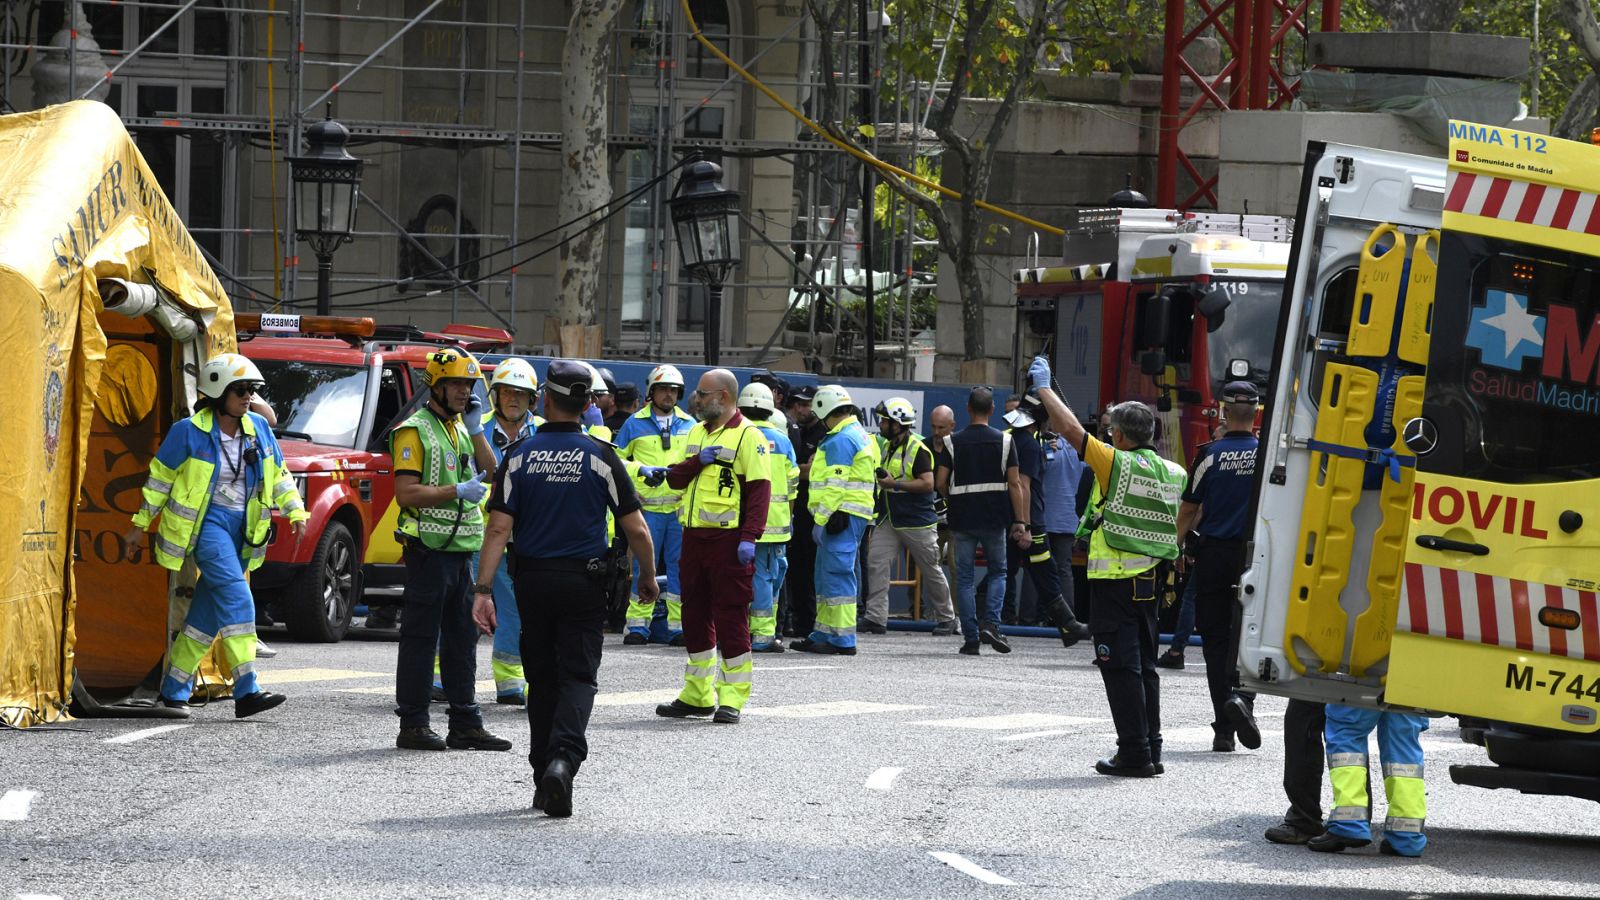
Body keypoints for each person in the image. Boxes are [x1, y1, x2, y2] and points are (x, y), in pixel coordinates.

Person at [471, 359, 658, 819]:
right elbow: (636, 529)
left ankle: (542, 776)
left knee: (542, 680)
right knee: (578, 677)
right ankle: (563, 762)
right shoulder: (601, 454)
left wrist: (482, 589)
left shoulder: (519, 454)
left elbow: (497, 529)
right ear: (586, 405)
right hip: (584, 583)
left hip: (532, 581)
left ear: (545, 401)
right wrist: (648, 578)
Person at [124, 353, 307, 718]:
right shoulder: (187, 432)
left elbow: (279, 473)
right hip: (207, 528)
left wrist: (295, 510)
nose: (247, 397)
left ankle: (174, 688)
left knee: (206, 615)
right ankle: (247, 688)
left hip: (245, 531)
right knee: (239, 601)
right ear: (216, 393)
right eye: (239, 390)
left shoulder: (258, 427)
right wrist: (139, 525)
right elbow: (158, 483)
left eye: (251, 391)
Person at [1032, 356, 1185, 778]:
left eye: (1110, 431)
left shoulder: (1116, 463)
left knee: (1119, 668)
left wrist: (1044, 388)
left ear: (1117, 434)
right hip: (1151, 582)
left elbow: (1069, 430)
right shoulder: (1174, 472)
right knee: (1146, 668)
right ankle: (1151, 749)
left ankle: (1134, 753)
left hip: (1115, 583)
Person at [388, 347, 511, 752]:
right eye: (457, 383)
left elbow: (493, 474)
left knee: (462, 640)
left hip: (462, 549)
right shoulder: (414, 430)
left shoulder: (461, 428)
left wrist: (477, 431)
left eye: (469, 384)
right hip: (427, 549)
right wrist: (455, 491)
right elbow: (406, 492)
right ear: (435, 386)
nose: (464, 391)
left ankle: (465, 722)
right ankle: (414, 724)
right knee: (421, 639)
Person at [654, 369, 771, 724]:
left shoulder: (748, 436)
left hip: (728, 540)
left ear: (722, 395)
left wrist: (750, 537)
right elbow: (675, 477)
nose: (697, 399)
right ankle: (698, 695)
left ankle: (732, 697)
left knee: (731, 616)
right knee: (694, 614)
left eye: (703, 394)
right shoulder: (696, 431)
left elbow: (759, 491)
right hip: (693, 537)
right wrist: (697, 461)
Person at [1176, 380, 1263, 753]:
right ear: (1258, 412)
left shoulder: (1208, 455)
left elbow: (1190, 509)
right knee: (1252, 636)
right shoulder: (1267, 453)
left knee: (1215, 641)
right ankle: (1243, 700)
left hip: (1213, 556)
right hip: (1256, 558)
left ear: (1224, 411)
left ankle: (1223, 730)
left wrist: (1175, 548)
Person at [935, 387, 1027, 657]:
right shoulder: (1006, 442)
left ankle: (971, 638)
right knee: (998, 572)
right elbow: (1015, 483)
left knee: (963, 578)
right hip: (994, 517)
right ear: (992, 410)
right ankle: (993, 625)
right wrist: (1020, 520)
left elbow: (940, 482)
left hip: (962, 518)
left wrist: (954, 499)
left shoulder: (952, 442)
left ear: (967, 409)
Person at [791, 385, 877, 656]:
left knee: (837, 575)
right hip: (846, 514)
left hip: (840, 515)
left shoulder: (841, 438)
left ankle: (842, 639)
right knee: (826, 575)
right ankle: (824, 632)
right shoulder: (856, 434)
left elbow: (836, 484)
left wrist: (821, 517)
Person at [614, 364, 696, 645]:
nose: (669, 395)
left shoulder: (691, 425)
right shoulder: (633, 423)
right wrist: (639, 472)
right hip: (645, 509)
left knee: (680, 569)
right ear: (651, 392)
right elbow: (617, 461)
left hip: (678, 510)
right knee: (641, 568)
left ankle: (677, 627)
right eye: (663, 389)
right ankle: (637, 626)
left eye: (674, 390)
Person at [1001, 395, 1091, 646]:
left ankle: (985, 620)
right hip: (1031, 521)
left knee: (1007, 570)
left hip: (1016, 519)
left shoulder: (1011, 440)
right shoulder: (1028, 444)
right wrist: (1026, 524)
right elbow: (1024, 485)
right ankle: (1068, 624)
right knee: (1046, 572)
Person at [478, 357, 542, 705]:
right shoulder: (474, 428)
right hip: (480, 534)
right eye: (506, 392)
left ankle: (510, 683)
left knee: (518, 610)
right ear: (495, 395)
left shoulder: (545, 433)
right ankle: (442, 679)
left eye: (521, 393)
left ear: (532, 399)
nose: (513, 399)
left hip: (526, 537)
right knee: (463, 606)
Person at [863, 398, 955, 636]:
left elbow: (928, 484)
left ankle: (948, 618)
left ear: (898, 424)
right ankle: (875, 618)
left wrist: (894, 485)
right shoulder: (885, 446)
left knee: (931, 569)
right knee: (876, 563)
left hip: (917, 522)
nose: (881, 424)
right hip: (889, 519)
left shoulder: (918, 449)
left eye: (886, 421)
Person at [1311, 705, 1428, 856]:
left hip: (1368, 682)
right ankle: (1407, 836)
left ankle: (1349, 823)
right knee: (1403, 744)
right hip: (1412, 685)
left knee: (1347, 729)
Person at [738, 383, 797, 652]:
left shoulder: (738, 436)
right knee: (770, 578)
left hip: (746, 523)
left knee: (755, 578)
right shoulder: (783, 442)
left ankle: (757, 632)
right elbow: (793, 484)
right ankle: (763, 634)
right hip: (778, 523)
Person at [1038, 405, 1089, 643]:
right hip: (1070, 518)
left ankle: (1030, 616)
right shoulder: (1083, 452)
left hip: (1044, 517)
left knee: (1036, 569)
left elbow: (1037, 474)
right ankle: (1069, 619)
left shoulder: (1047, 449)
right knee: (1065, 569)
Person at [782, 385, 825, 639]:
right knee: (794, 568)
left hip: (813, 511)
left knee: (810, 569)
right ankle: (796, 620)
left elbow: (811, 471)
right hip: (792, 507)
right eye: (798, 404)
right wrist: (801, 468)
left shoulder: (823, 434)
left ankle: (809, 623)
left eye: (808, 404)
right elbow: (799, 469)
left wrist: (798, 469)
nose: (802, 409)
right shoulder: (794, 431)